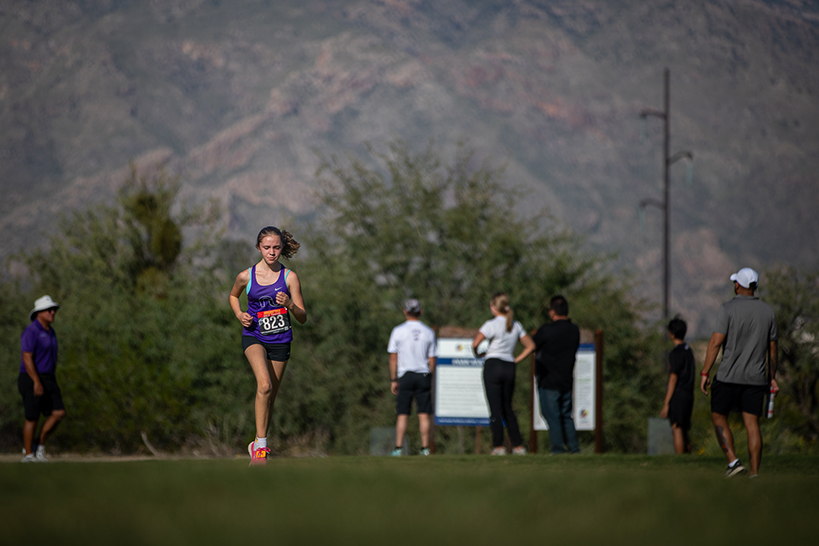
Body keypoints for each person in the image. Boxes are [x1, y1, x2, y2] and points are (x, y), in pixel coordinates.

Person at [229, 226, 307, 466]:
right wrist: (240, 314)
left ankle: (257, 441)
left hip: (281, 340)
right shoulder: (246, 276)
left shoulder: (289, 277)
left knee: (270, 395)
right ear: (258, 248)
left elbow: (303, 316)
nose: (271, 252)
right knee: (263, 385)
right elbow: (233, 296)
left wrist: (290, 304)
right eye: (266, 247)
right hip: (254, 336)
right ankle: (261, 450)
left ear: (281, 248)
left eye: (276, 247)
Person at [701, 268, 778, 478]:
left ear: (737, 285)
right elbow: (772, 350)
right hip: (756, 378)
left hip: (728, 376)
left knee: (718, 416)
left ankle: (733, 462)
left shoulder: (727, 309)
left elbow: (716, 342)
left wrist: (705, 372)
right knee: (752, 424)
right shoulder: (768, 312)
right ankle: (754, 473)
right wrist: (772, 378)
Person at [472, 292, 535, 455]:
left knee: (495, 409)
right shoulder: (516, 324)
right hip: (509, 366)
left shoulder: (490, 324)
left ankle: (498, 447)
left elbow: (475, 343)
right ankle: (518, 446)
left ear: (494, 308)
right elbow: (530, 346)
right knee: (507, 407)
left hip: (493, 365)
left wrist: (477, 353)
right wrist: (516, 360)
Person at [387, 299, 437, 456]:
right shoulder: (429, 332)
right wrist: (430, 375)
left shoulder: (398, 331)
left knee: (403, 414)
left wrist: (394, 379)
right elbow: (432, 359)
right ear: (421, 312)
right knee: (424, 414)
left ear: (405, 311)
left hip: (405, 375)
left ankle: (398, 448)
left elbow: (393, 358)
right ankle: (425, 448)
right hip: (423, 374)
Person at [19, 295, 66, 463]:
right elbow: (27, 357)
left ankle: (37, 445)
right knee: (32, 416)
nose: (53, 312)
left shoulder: (51, 332)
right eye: (49, 310)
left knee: (59, 412)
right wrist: (36, 381)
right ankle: (28, 455)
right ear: (39, 313)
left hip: (49, 379)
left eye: (54, 310)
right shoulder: (32, 331)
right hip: (31, 378)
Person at [533, 295, 581, 454]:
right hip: (567, 380)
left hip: (548, 381)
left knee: (551, 416)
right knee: (566, 416)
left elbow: (532, 344)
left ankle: (558, 449)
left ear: (552, 312)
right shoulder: (574, 330)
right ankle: (574, 448)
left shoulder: (547, 331)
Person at [660, 316, 695, 454]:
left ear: (671, 333)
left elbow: (673, 379)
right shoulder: (688, 350)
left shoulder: (675, 353)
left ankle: (680, 460)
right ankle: (688, 457)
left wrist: (666, 403)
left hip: (678, 395)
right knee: (685, 428)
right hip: (689, 394)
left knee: (677, 427)